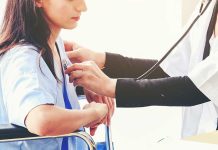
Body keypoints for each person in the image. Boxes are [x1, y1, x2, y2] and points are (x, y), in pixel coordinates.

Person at [64, 0, 218, 138]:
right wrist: (101, 60)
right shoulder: (208, 5)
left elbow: (192, 90)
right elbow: (167, 70)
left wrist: (110, 87)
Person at [0, 0, 112, 149]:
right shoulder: (24, 58)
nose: (82, 7)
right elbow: (41, 120)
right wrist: (94, 113)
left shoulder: (53, 43)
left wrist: (88, 81)